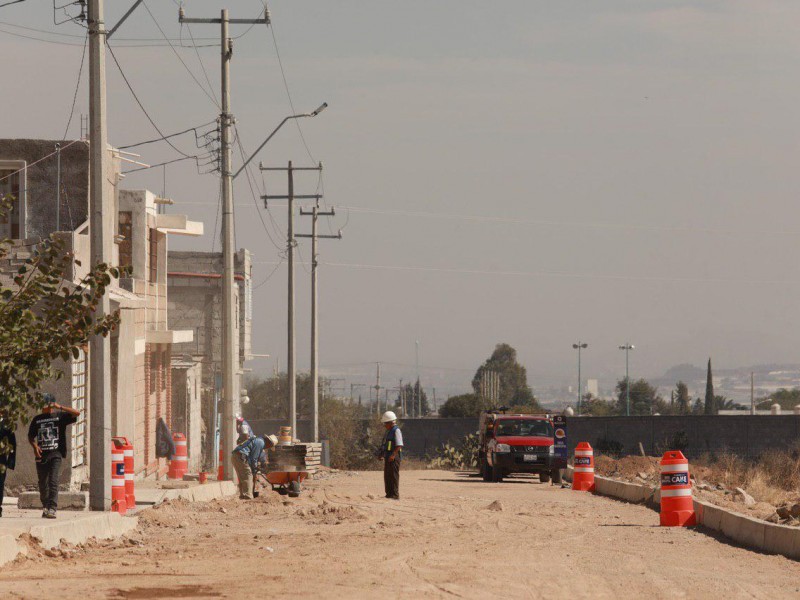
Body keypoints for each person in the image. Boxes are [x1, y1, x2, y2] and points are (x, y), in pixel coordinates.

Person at [28, 395, 81, 519]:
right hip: (41, 455)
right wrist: (35, 447)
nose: (44, 407)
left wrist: (60, 407)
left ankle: (52, 508)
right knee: (42, 483)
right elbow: (30, 436)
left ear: (51, 405)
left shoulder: (59, 417)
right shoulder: (37, 419)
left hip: (55, 454)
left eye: (47, 404)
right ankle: (45, 506)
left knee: (53, 481)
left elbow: (77, 413)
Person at [232, 434, 276, 499]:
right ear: (269, 443)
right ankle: (248, 496)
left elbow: (259, 457)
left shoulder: (258, 441)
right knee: (248, 475)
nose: (268, 448)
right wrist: (254, 470)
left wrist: (258, 467)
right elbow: (254, 458)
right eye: (270, 446)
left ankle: (243, 495)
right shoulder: (260, 443)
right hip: (240, 457)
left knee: (243, 477)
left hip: (236, 456)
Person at [379, 411, 403, 500]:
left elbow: (399, 445)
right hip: (388, 456)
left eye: (385, 423)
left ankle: (395, 495)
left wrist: (393, 455)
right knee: (387, 476)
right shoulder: (388, 431)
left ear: (390, 422)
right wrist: (382, 454)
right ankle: (389, 494)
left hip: (394, 457)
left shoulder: (396, 430)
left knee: (394, 476)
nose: (385, 425)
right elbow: (385, 444)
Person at [0, 410, 16, 518]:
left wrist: (11, 461)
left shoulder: (6, 426)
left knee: (0, 483)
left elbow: (12, 444)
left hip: (1, 460)